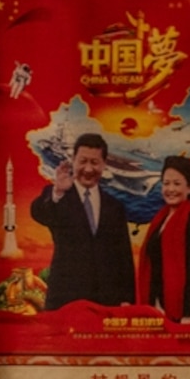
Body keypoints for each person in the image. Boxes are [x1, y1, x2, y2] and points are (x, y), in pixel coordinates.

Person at [26, 132, 138, 310]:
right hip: (65, 300)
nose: (88, 169)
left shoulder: (114, 206)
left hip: (107, 302)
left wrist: (127, 299)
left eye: (94, 162)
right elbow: (39, 213)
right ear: (73, 161)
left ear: (104, 164)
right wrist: (58, 192)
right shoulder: (57, 195)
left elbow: (123, 257)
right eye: (82, 161)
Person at [136, 154, 190, 321]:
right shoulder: (159, 220)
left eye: (177, 183)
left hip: (186, 307)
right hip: (156, 305)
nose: (170, 189)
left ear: (189, 188)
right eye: (166, 183)